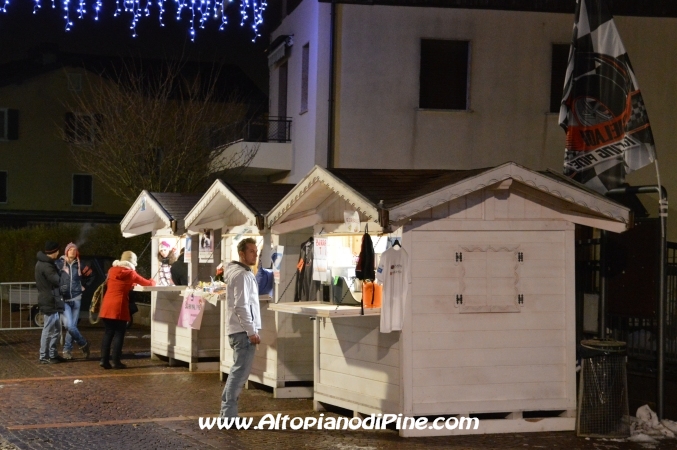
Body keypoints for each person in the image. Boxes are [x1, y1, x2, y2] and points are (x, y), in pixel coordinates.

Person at [220, 238, 261, 418]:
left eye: (256, 251)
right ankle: (228, 416)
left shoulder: (236, 272)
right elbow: (241, 305)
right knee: (239, 375)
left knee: (237, 373)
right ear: (242, 254)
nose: (255, 254)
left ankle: (226, 412)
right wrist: (251, 331)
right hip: (242, 332)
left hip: (237, 330)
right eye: (251, 251)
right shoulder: (242, 275)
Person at [99, 251, 155, 369]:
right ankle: (116, 361)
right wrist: (153, 280)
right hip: (119, 307)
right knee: (119, 334)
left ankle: (104, 360)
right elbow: (148, 283)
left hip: (107, 305)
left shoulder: (111, 270)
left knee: (108, 333)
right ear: (132, 262)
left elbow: (116, 283)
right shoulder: (131, 273)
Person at [56, 242, 91, 360]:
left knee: (73, 326)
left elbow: (91, 275)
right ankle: (84, 343)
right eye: (70, 249)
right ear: (66, 251)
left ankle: (67, 350)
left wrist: (84, 286)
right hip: (64, 299)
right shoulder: (59, 264)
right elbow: (53, 278)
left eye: (74, 250)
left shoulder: (81, 265)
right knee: (70, 326)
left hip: (76, 299)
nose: (72, 251)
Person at [35, 241, 65, 364]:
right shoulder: (47, 266)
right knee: (48, 329)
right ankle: (44, 356)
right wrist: (62, 270)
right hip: (49, 300)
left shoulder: (43, 263)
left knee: (56, 328)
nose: (59, 253)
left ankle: (52, 354)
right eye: (57, 251)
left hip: (50, 299)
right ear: (53, 252)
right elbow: (57, 280)